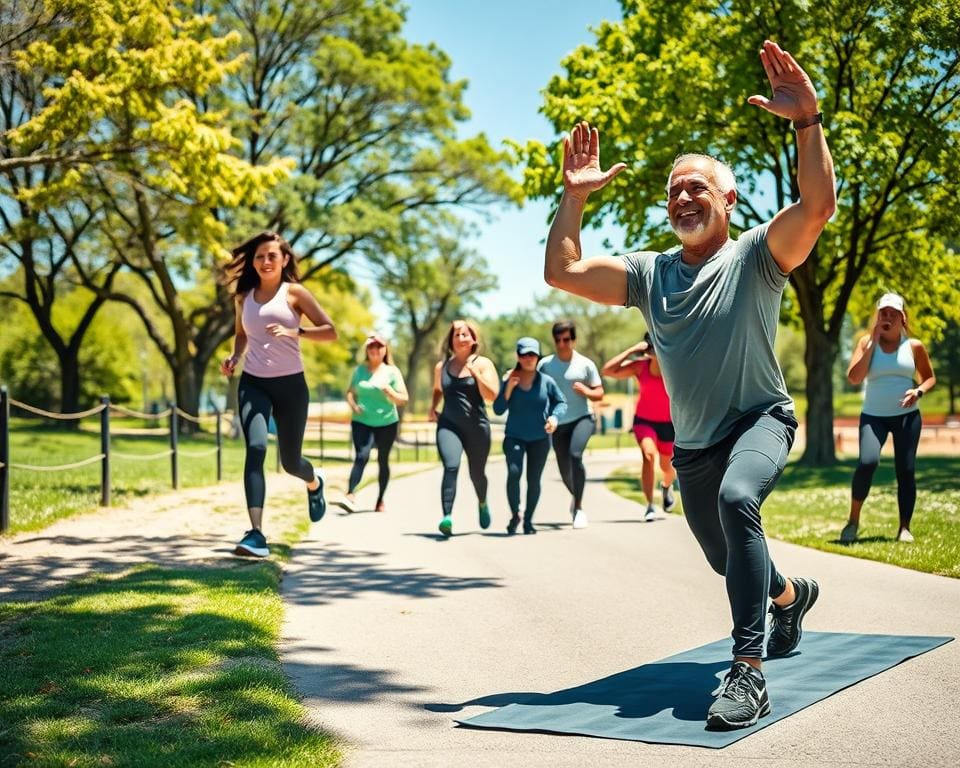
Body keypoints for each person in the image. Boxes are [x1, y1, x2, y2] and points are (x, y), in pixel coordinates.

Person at [543, 40, 836, 730]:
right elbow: (562, 272)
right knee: (724, 557)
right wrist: (574, 196)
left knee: (742, 499)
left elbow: (817, 205)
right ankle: (792, 596)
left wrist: (808, 123)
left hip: (762, 420)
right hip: (696, 445)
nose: (681, 197)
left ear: (729, 201)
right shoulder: (650, 274)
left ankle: (748, 672)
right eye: (674, 190)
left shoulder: (759, 254)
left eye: (695, 187)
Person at [221, 231, 337, 558]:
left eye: (272, 256)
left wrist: (295, 330)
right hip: (253, 382)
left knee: (290, 462)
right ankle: (256, 533)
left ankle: (314, 481)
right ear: (253, 262)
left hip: (291, 385)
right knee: (256, 448)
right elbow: (242, 334)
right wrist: (234, 357)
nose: (265, 261)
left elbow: (331, 331)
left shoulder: (295, 293)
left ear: (284, 259)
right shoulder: (243, 297)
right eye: (259, 256)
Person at [842, 293, 936, 544]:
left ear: (902, 318)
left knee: (905, 470)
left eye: (893, 313)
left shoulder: (914, 346)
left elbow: (929, 378)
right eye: (883, 312)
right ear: (877, 316)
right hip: (873, 417)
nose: (887, 316)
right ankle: (852, 522)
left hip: (907, 417)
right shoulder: (866, 343)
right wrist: (872, 341)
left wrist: (918, 391)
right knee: (867, 462)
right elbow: (853, 378)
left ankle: (904, 528)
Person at [429, 319, 500, 537]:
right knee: (451, 466)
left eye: (465, 334)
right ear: (451, 340)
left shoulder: (483, 363)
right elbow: (438, 388)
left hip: (477, 427)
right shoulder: (442, 367)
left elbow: (492, 395)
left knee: (477, 473)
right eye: (456, 334)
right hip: (449, 425)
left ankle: (482, 501)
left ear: (473, 339)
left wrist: (475, 374)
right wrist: (433, 408)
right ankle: (447, 517)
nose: (461, 338)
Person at [493, 337, 567, 534]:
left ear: (537, 357)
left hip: (540, 438)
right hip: (514, 436)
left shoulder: (547, 382)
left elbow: (561, 402)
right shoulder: (509, 379)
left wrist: (554, 417)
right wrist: (508, 388)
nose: (528, 358)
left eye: (532, 354)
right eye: (524, 354)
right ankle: (515, 513)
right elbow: (498, 409)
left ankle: (528, 521)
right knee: (514, 473)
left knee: (534, 480)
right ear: (518, 356)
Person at [601, 333, 677, 522]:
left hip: (669, 424)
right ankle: (650, 505)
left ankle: (667, 486)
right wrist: (633, 350)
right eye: (649, 346)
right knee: (648, 455)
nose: (652, 349)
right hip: (644, 421)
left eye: (655, 345)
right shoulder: (639, 366)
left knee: (667, 467)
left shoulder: (674, 366)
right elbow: (608, 371)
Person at [539, 320, 604, 529]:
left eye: (566, 339)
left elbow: (599, 393)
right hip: (558, 423)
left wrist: (586, 391)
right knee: (564, 469)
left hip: (582, 418)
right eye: (558, 340)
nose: (561, 344)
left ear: (573, 340)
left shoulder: (585, 364)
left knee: (575, 455)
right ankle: (576, 497)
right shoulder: (546, 365)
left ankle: (578, 508)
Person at [336, 333, 409, 514]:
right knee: (362, 455)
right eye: (371, 347)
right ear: (367, 350)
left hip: (387, 422)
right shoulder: (359, 371)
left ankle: (380, 499)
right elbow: (350, 392)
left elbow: (404, 399)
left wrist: (391, 392)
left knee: (383, 460)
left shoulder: (392, 372)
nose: (374, 350)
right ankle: (350, 494)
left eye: (378, 347)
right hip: (362, 421)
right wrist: (353, 405)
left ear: (385, 350)